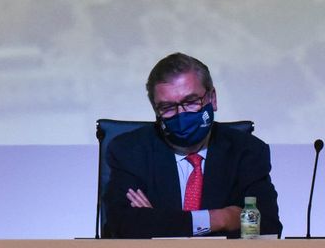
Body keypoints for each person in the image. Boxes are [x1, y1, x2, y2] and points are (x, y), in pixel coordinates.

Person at [103, 52, 280, 238]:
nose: (181, 114)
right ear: (156, 110)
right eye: (167, 107)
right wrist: (221, 218)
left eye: (191, 102)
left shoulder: (247, 151)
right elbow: (122, 226)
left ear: (212, 98)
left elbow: (266, 227)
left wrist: (158, 220)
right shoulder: (130, 151)